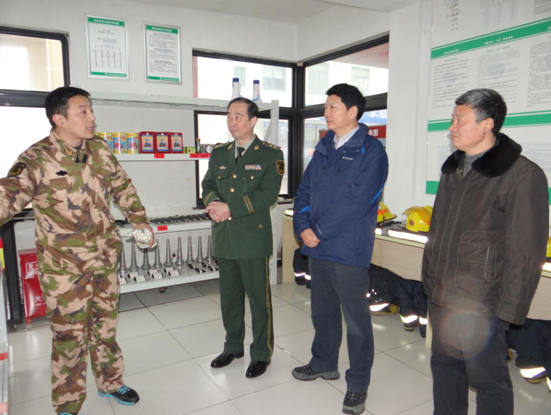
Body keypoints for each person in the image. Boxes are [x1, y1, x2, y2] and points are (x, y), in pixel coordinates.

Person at [0, 86, 155, 415]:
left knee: (106, 330)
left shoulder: (99, 149)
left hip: (104, 260)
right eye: (82, 111)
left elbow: (122, 186)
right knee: (69, 340)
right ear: (59, 119)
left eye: (91, 110)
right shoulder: (36, 158)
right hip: (65, 271)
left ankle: (111, 382)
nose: (91, 117)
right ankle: (68, 404)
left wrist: (139, 219)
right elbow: (7, 196)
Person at [422, 88, 549, 415]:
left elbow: (526, 252)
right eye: (453, 119)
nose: (451, 127)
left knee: (488, 381)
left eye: (459, 120)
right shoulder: (453, 169)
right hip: (442, 295)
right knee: (445, 369)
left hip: (483, 302)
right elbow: (439, 231)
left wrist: (508, 310)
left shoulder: (522, 175)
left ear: (487, 124)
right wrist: (430, 283)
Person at [292, 83, 389, 415]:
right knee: (322, 311)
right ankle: (323, 363)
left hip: (348, 248)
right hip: (317, 246)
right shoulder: (324, 146)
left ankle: (358, 384)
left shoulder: (371, 152)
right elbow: (304, 191)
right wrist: (302, 227)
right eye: (326, 107)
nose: (326, 112)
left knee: (357, 321)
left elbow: (358, 201)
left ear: (353, 111)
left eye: (332, 106)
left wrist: (316, 230)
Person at [202, 97, 284, 379]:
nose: (232, 121)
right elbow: (208, 184)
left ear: (253, 121)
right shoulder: (219, 153)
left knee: (259, 301)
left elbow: (268, 195)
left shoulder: (270, 155)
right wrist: (214, 203)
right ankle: (233, 346)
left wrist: (229, 208)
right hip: (225, 237)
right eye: (228, 116)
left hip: (252, 239)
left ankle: (261, 352)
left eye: (238, 116)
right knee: (229, 300)